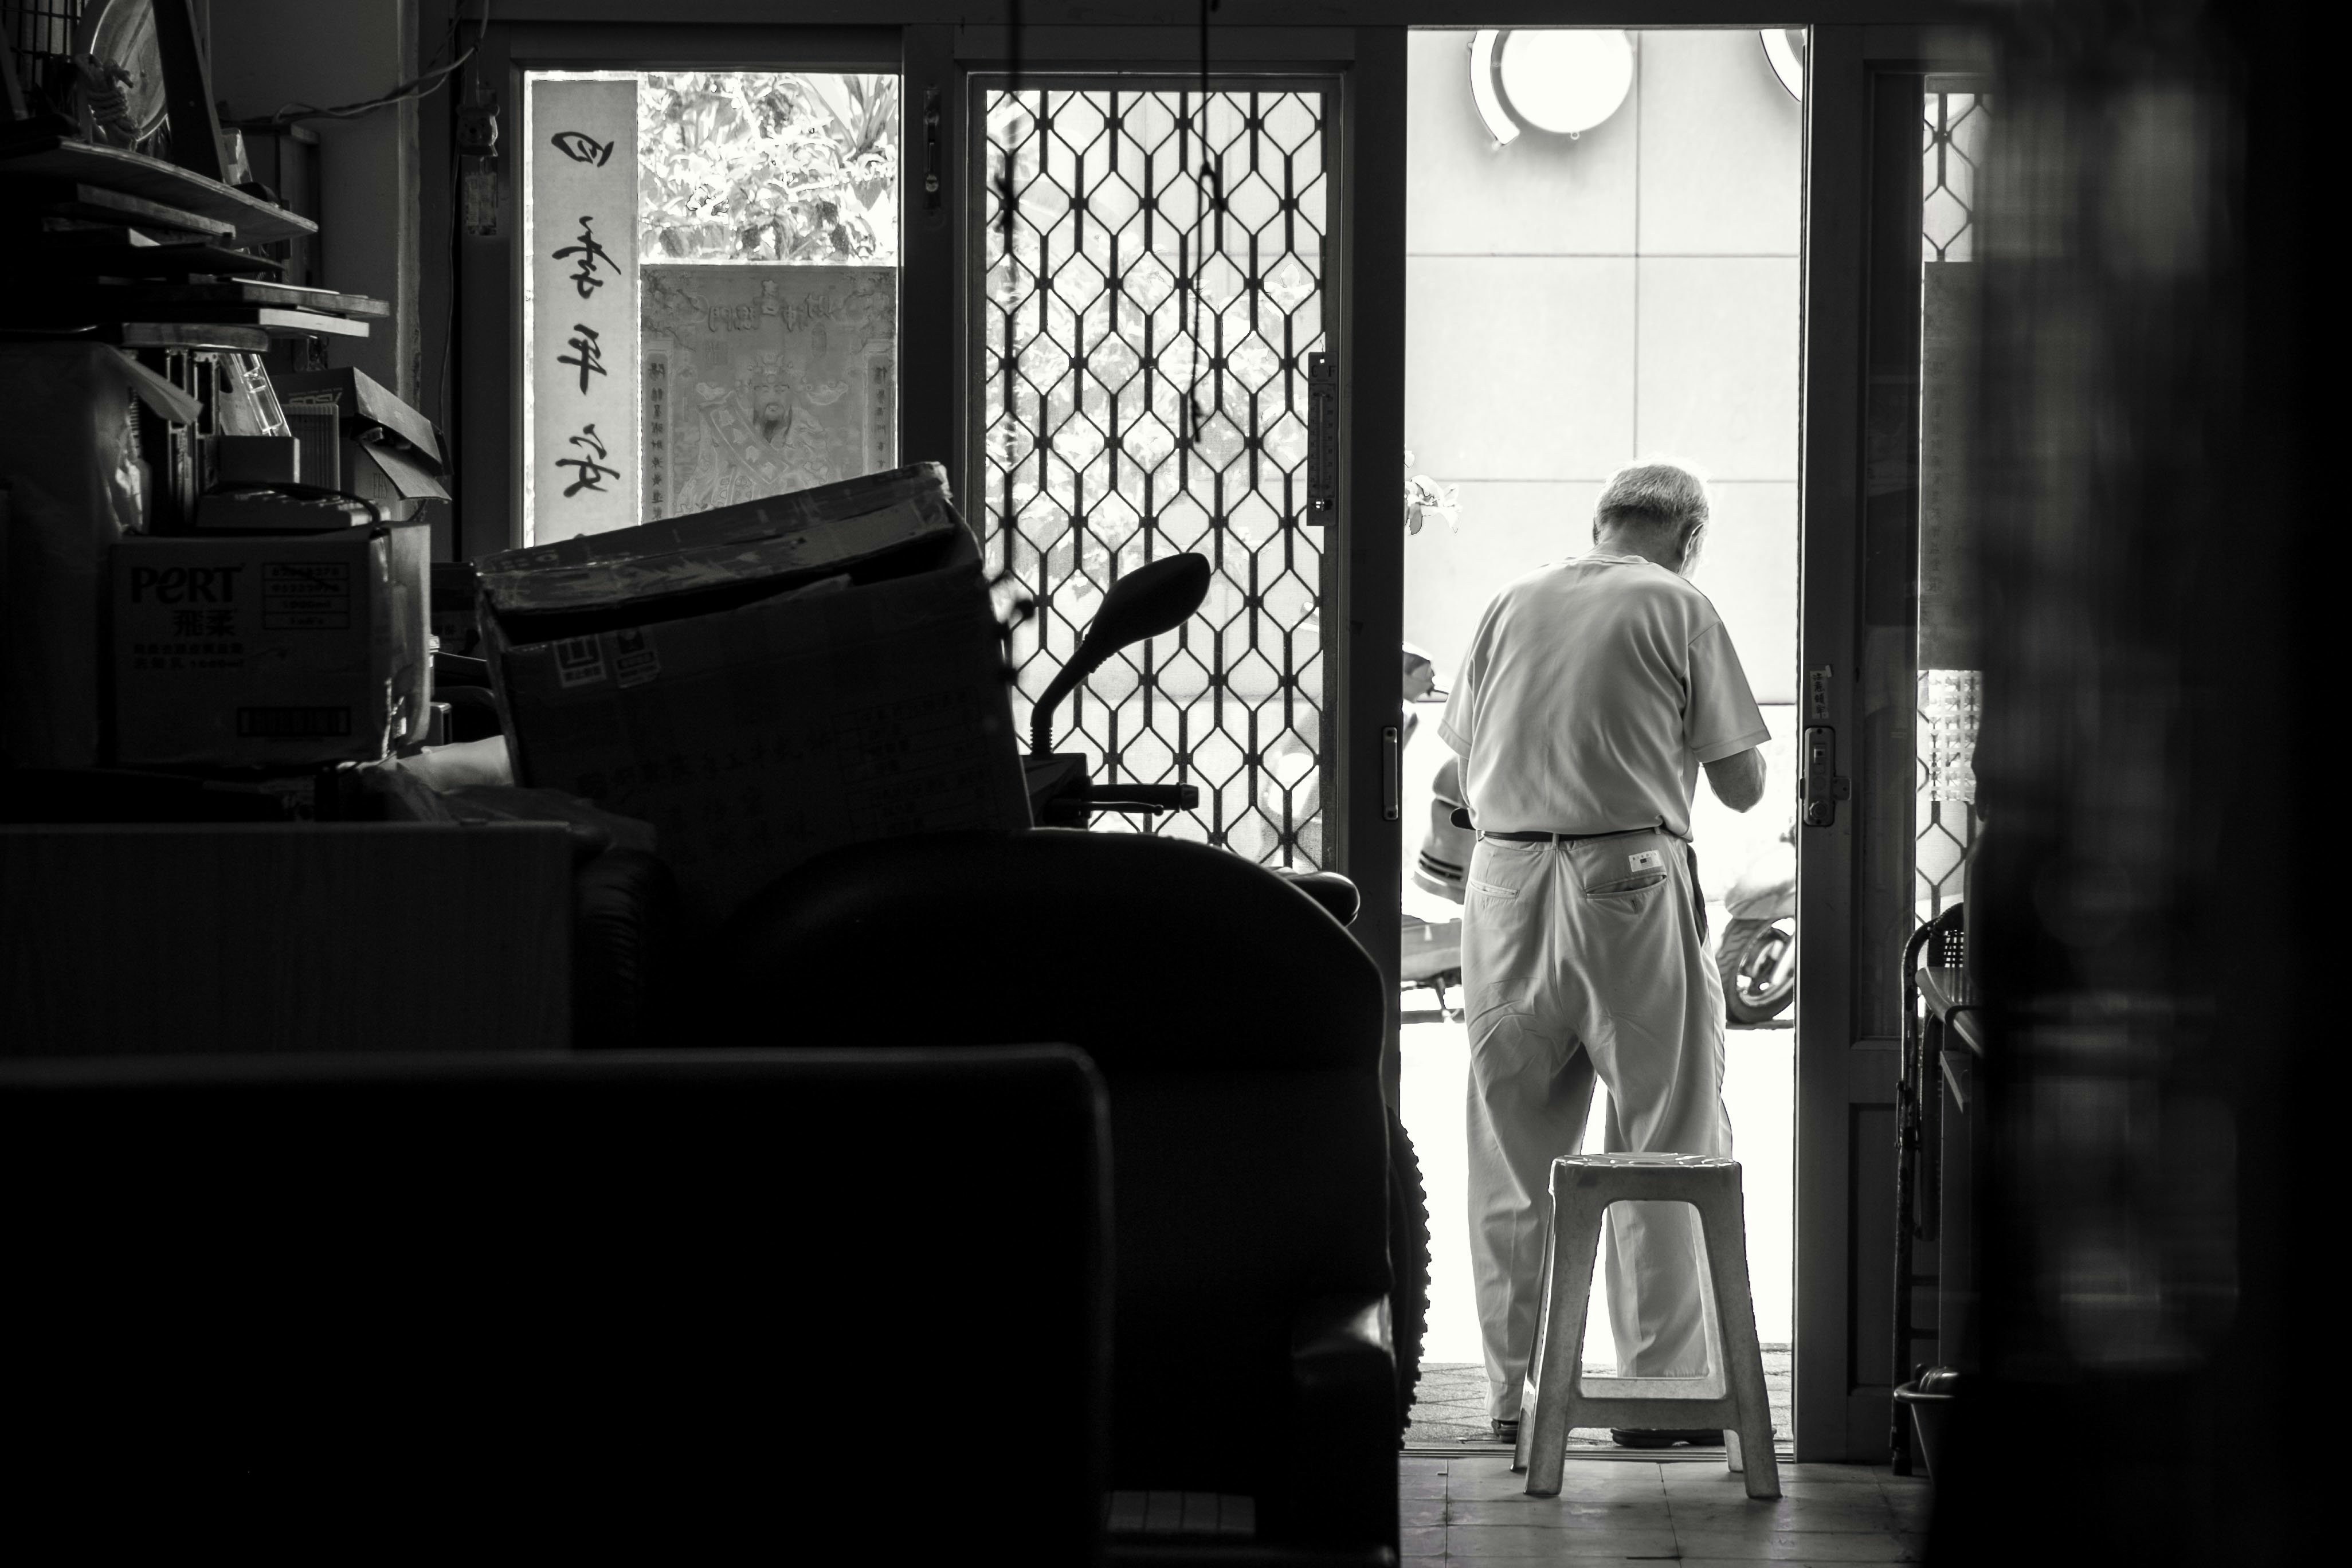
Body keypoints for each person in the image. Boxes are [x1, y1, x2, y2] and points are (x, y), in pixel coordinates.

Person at [1437, 460, 1769, 1448]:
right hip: (1626, 883)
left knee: (1512, 1150)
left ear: (1598, 526)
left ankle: (1513, 1397)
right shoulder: (1680, 605)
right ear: (1690, 536)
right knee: (1662, 1135)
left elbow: (1462, 754)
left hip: (1502, 884)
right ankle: (1660, 1399)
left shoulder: (1509, 601)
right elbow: (1744, 784)